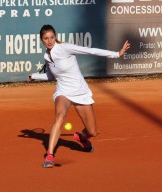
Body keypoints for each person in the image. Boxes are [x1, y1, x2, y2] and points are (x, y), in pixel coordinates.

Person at [29, 24, 130, 168]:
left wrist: (116, 54)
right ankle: (49, 155)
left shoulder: (65, 48)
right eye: (46, 38)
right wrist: (35, 76)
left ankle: (82, 137)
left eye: (51, 37)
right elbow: (51, 76)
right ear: (41, 40)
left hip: (80, 91)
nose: (49, 41)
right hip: (63, 91)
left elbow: (90, 51)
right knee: (60, 116)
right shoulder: (47, 56)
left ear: (55, 37)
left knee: (92, 131)